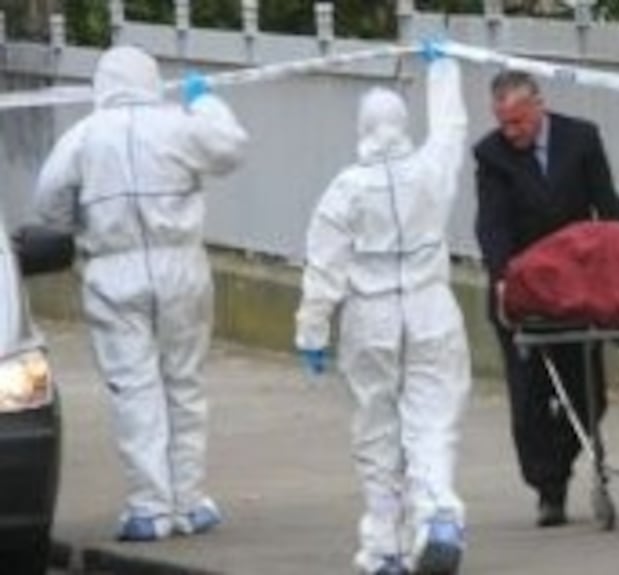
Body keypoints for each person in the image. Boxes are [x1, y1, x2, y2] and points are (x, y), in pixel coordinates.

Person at [34, 46, 247, 541]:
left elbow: (48, 201)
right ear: (152, 79)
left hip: (114, 269)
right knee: (184, 384)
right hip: (181, 265)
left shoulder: (84, 136)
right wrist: (207, 102)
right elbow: (230, 148)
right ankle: (189, 500)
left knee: (135, 388)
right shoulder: (178, 125)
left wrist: (81, 225)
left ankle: (149, 507)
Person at [294, 45, 470, 575]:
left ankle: (386, 546)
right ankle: (437, 515)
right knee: (433, 420)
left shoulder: (345, 189)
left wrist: (312, 331)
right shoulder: (430, 171)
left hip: (370, 317)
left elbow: (324, 265)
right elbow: (452, 128)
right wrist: (443, 70)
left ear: (363, 128)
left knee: (376, 430)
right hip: (430, 307)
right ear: (401, 124)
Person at [474, 70, 619, 527]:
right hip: (521, 289)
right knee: (529, 397)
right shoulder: (491, 155)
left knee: (588, 392)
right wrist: (502, 276)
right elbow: (493, 223)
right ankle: (548, 488)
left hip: (577, 286)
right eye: (504, 124)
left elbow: (608, 204)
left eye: (519, 122)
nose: (512, 133)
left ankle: (559, 461)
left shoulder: (581, 138)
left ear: (538, 107)